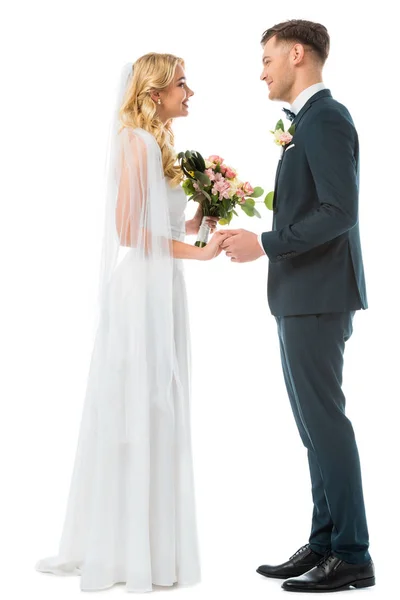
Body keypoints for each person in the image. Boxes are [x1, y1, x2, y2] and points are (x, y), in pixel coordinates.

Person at [36, 53, 228, 593]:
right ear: (155, 92)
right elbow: (129, 231)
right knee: (138, 409)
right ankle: (128, 551)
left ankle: (145, 546)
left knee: (158, 406)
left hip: (162, 288)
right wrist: (202, 254)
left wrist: (198, 221)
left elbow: (159, 223)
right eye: (182, 83)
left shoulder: (155, 147)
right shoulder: (135, 141)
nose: (190, 92)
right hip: (143, 291)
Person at [221, 20, 375, 593]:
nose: (262, 71)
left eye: (266, 60)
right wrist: (263, 238)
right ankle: (326, 541)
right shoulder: (307, 123)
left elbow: (340, 211)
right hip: (301, 294)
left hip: (319, 296)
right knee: (314, 427)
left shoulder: (327, 119)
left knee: (325, 424)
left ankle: (353, 554)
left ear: (297, 54)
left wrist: (264, 244)